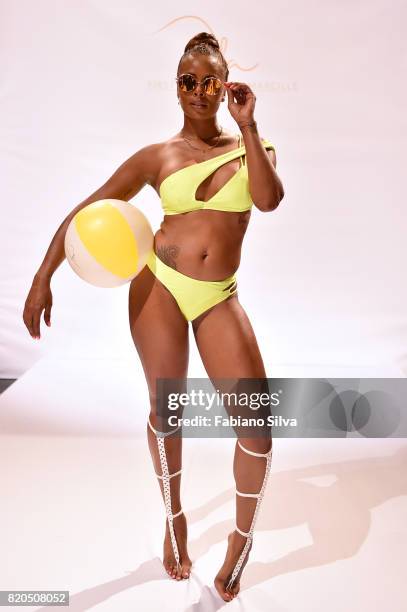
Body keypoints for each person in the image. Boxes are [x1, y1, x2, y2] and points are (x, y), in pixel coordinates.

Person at [23, 32, 284, 602]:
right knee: (167, 410)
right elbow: (87, 209)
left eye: (210, 81)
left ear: (226, 86)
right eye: (187, 81)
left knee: (258, 429)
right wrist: (44, 277)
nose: (198, 91)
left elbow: (268, 201)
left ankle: (239, 544)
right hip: (159, 288)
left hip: (218, 296)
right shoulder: (158, 156)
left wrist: (248, 125)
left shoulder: (251, 148)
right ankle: (174, 521)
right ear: (176, 86)